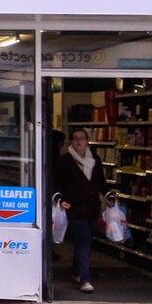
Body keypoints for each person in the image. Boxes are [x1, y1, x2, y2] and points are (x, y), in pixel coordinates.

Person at [49, 125, 107, 293]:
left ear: (87, 141)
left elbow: (101, 182)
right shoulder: (64, 161)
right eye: (75, 139)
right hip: (73, 209)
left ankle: (76, 271)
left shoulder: (95, 160)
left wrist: (109, 195)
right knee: (84, 241)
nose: (78, 142)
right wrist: (59, 199)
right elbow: (56, 184)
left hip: (92, 209)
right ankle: (85, 279)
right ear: (71, 142)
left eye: (81, 139)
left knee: (85, 240)